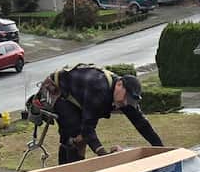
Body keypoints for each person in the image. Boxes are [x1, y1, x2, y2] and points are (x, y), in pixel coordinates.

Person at [33, 65, 163, 164]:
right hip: (58, 91)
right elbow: (88, 129)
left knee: (78, 138)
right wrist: (104, 156)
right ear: (119, 84)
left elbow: (141, 123)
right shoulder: (99, 89)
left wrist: (161, 149)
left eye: (129, 101)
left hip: (78, 97)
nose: (125, 103)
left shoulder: (123, 97)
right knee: (77, 137)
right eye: (126, 98)